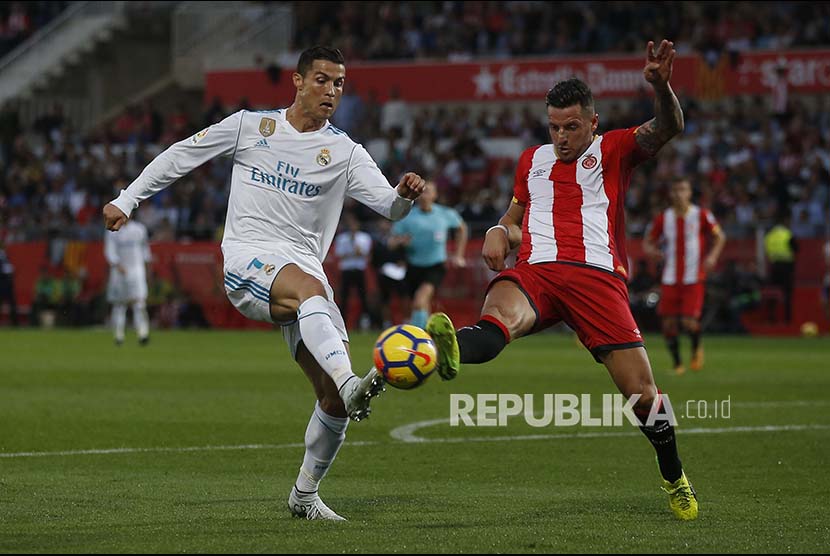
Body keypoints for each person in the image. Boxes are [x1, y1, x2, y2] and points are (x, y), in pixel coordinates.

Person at [102, 46, 425, 521]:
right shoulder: (251, 127)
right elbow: (182, 155)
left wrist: (403, 195)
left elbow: (388, 207)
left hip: (302, 274)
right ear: (297, 81)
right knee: (324, 326)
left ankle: (305, 495)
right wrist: (128, 198)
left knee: (332, 401)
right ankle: (352, 380)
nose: (331, 91)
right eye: (321, 79)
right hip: (248, 259)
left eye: (339, 83)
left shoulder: (346, 152)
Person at [426, 41, 699, 520]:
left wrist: (661, 87)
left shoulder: (614, 148)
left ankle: (674, 475)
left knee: (643, 396)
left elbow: (669, 126)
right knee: (497, 323)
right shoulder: (531, 161)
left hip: (597, 280)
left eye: (571, 127)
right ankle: (442, 352)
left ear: (592, 123)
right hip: (538, 272)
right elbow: (513, 221)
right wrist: (496, 230)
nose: (562, 137)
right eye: (554, 127)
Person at [642, 177, 726, 375]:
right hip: (670, 277)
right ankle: (678, 364)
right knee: (669, 323)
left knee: (689, 322)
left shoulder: (701, 215)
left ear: (689, 193)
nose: (679, 194)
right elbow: (648, 241)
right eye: (676, 190)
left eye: (683, 189)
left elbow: (720, 236)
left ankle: (696, 348)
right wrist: (651, 250)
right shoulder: (664, 218)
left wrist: (713, 256)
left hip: (693, 277)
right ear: (671, 194)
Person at [391, 181, 467, 329]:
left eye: (428, 192)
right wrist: (401, 241)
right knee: (420, 305)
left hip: (435, 266)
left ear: (435, 195)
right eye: (423, 192)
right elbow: (391, 242)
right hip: (413, 266)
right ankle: (427, 339)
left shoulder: (445, 214)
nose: (425, 195)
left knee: (420, 300)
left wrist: (459, 254)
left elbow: (462, 228)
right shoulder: (408, 216)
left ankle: (416, 337)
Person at [104, 217, 152, 345]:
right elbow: (109, 251)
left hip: (136, 270)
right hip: (119, 271)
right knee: (119, 304)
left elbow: (145, 251)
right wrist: (117, 264)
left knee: (139, 303)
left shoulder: (139, 229)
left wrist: (147, 271)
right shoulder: (112, 229)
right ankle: (118, 335)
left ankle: (143, 334)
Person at [333, 211, 372, 329]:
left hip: (359, 269)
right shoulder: (342, 238)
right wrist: (353, 253)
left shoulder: (365, 238)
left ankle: (365, 321)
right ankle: (341, 323)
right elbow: (339, 254)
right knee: (344, 297)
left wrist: (354, 253)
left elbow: (365, 254)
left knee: (362, 296)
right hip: (347, 270)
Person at [764, 212, 797, 323]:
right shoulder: (787, 234)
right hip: (786, 267)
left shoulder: (769, 236)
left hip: (774, 266)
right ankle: (787, 319)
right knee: (787, 293)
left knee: (772, 292)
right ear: (784, 221)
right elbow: (796, 248)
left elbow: (767, 251)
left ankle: (770, 317)